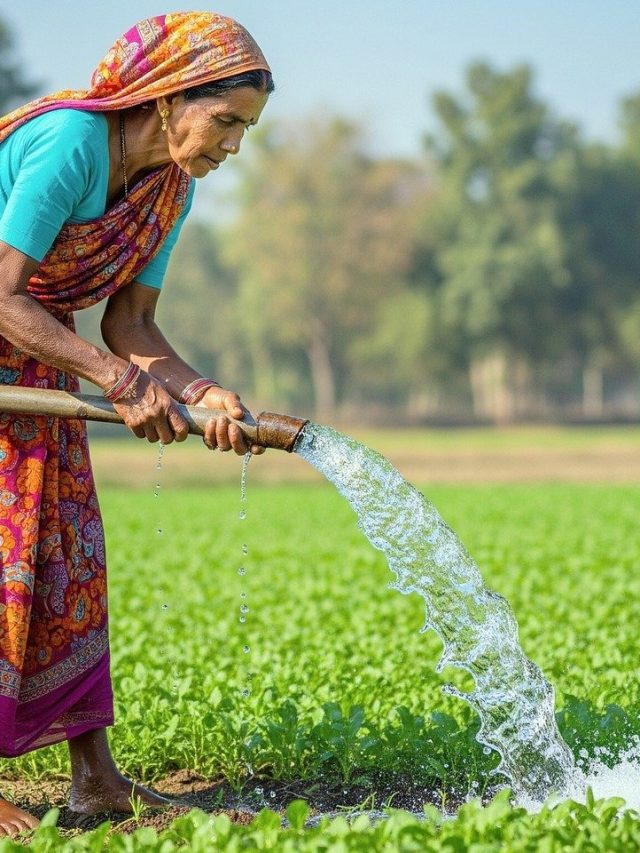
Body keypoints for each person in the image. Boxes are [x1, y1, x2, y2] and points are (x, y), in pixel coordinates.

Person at [0, 12, 272, 836]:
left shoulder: (170, 189)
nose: (234, 145)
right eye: (225, 120)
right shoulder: (72, 144)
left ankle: (96, 779)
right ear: (166, 98)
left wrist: (204, 391)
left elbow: (132, 324)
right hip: (20, 331)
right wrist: (119, 382)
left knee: (66, 553)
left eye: (247, 129)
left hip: (41, 357)